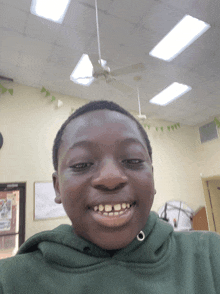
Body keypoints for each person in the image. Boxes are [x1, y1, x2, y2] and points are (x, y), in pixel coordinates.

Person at [0, 100, 220, 293]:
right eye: (82, 164)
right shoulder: (10, 281)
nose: (111, 178)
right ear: (57, 187)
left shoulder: (210, 256)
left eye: (133, 160)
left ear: (152, 178)